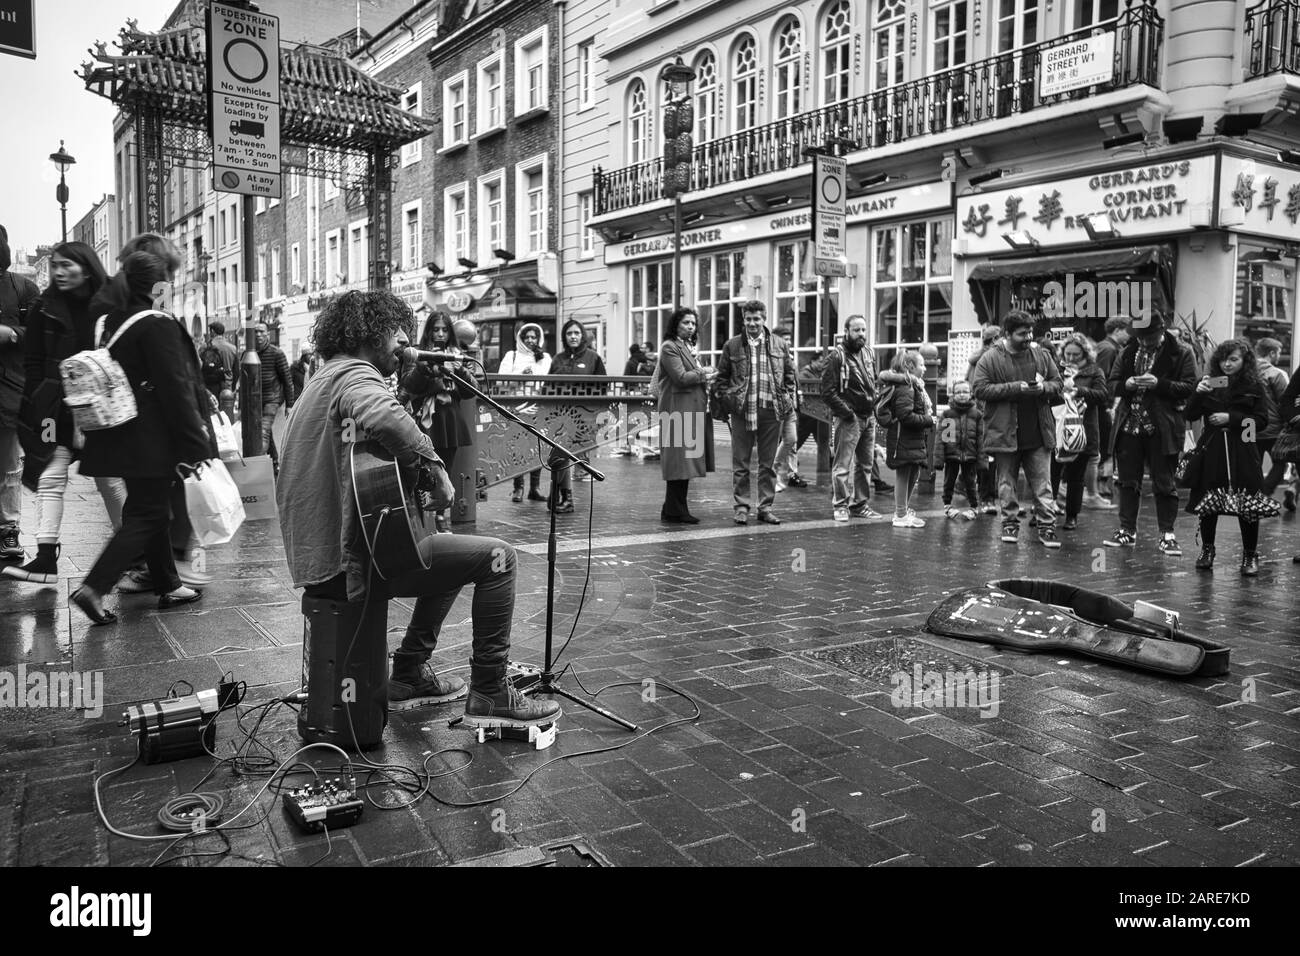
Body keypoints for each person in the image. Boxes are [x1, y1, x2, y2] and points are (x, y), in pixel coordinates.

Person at [277, 290, 559, 724]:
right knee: (499, 558)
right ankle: (490, 692)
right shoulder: (355, 375)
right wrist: (434, 468)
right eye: (398, 332)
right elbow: (383, 418)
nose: (405, 340)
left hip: (323, 557)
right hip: (351, 562)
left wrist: (410, 388)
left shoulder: (325, 378)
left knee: (445, 548)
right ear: (373, 332)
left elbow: (367, 433)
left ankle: (408, 673)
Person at [70, 246, 213, 624]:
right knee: (149, 514)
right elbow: (175, 388)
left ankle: (168, 583)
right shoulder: (156, 324)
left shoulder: (107, 322)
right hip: (152, 439)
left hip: (117, 432)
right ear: (160, 285)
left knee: (147, 510)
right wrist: (197, 443)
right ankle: (94, 587)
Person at [5, 242, 125, 583]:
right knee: (50, 477)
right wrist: (36, 404)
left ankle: (133, 550)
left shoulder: (109, 304)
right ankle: (45, 558)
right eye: (55, 265)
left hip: (101, 407)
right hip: (56, 409)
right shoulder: (44, 307)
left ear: (86, 268)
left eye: (66, 265)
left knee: (109, 480)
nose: (58, 271)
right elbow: (33, 361)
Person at [1103, 311, 1196, 554]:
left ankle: (1167, 534)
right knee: (1127, 481)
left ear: (1161, 330)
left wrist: (1160, 384)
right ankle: (1126, 530)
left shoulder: (1182, 352)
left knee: (1164, 482)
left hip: (1162, 427)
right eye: (1140, 336)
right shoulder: (1127, 351)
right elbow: (1111, 384)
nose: (1144, 341)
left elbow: (1189, 387)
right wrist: (1127, 385)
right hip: (1129, 425)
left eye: (1149, 336)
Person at [971, 309, 1065, 548]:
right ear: (1007, 333)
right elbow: (979, 389)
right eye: (1022, 333)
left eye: (1030, 332)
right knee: (1006, 482)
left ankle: (1046, 526)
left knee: (1043, 484)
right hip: (1004, 432)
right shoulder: (991, 358)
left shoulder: (1041, 355)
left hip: (1038, 431)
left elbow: (1058, 383)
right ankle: (1010, 523)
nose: (1028, 337)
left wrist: (1043, 389)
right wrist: (1016, 388)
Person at [1184, 340, 1271, 575]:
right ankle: (1207, 549)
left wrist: (1230, 419)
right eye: (1224, 359)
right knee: (1208, 502)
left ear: (1245, 361)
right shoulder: (1210, 382)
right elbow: (1189, 414)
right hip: (1212, 449)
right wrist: (1198, 394)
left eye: (1233, 359)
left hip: (1243, 449)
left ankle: (1250, 554)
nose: (1227, 364)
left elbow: (1261, 422)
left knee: (1248, 504)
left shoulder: (1254, 385)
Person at [715, 299, 795, 525]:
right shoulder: (732, 345)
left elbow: (789, 375)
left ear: (764, 319)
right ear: (743, 319)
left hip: (771, 410)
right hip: (742, 411)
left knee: (767, 464)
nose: (752, 323)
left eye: (756, 319)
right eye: (748, 319)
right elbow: (721, 379)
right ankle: (741, 507)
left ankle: (765, 507)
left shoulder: (779, 344)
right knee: (741, 463)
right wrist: (729, 400)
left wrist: (787, 397)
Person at [400, 313, 476, 532]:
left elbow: (472, 391)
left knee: (446, 468)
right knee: (423, 468)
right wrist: (426, 367)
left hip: (450, 419)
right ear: (429, 331)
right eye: (436, 329)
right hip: (426, 417)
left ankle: (442, 517)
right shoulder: (417, 353)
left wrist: (458, 370)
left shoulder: (457, 354)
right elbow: (408, 386)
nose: (440, 334)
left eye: (444, 329)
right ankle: (422, 517)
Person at [0, 224, 40, 562]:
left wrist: (11, 333)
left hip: (10, 390)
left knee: (10, 464)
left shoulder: (24, 287)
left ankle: (8, 529)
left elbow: (43, 332)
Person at [657, 307, 716, 523]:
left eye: (693, 323)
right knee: (678, 461)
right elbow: (680, 377)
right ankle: (675, 509)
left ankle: (672, 507)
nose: (690, 327)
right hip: (676, 411)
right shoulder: (669, 347)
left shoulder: (686, 347)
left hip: (688, 410)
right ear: (676, 324)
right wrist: (705, 372)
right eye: (685, 323)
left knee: (685, 461)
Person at [821, 315, 880, 521]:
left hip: (868, 417)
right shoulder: (836, 356)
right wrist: (847, 413)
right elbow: (827, 391)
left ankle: (860, 504)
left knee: (865, 464)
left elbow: (874, 382)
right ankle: (840, 505)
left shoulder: (869, 353)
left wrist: (875, 408)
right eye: (856, 330)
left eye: (864, 330)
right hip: (849, 419)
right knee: (843, 465)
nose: (861, 334)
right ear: (846, 331)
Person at [1051, 333, 1109, 532]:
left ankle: (1071, 516)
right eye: (1067, 354)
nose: (1071, 358)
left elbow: (1102, 396)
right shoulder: (1057, 369)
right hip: (1057, 429)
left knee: (1076, 477)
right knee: (1051, 474)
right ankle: (1045, 512)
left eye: (1076, 354)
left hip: (1082, 431)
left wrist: (1079, 391)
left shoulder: (1094, 372)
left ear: (1085, 353)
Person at [547, 318, 606, 513]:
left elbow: (602, 386)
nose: (573, 336)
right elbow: (547, 386)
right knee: (559, 455)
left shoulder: (593, 358)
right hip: (560, 415)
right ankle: (561, 496)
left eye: (576, 333)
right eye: (569, 333)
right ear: (564, 336)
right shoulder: (558, 359)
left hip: (583, 416)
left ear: (582, 336)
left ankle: (563, 497)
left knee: (565, 455)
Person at [879, 350, 937, 527]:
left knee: (913, 472)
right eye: (922, 364)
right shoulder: (907, 387)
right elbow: (906, 416)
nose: (925, 368)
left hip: (910, 437)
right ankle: (900, 514)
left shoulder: (913, 385)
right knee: (904, 473)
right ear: (910, 366)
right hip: (903, 437)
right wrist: (929, 420)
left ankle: (903, 510)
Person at [497, 322, 551, 503]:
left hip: (538, 407)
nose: (530, 340)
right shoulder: (511, 356)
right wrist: (521, 375)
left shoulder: (545, 358)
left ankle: (534, 488)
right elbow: (500, 382)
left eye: (533, 337)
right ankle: (518, 487)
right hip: (516, 407)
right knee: (517, 447)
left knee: (537, 447)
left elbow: (544, 381)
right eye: (526, 337)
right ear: (520, 338)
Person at [1093, 317, 1130, 499]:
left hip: (1106, 404)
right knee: (1107, 443)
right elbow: (1102, 379)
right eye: (1127, 330)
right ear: (1117, 330)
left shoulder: (1108, 347)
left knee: (1107, 443)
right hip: (1106, 405)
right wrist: (1109, 404)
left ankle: (1102, 482)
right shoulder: (1108, 349)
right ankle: (1101, 483)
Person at [967, 323, 1002, 514]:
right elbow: (978, 389)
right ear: (995, 339)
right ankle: (987, 498)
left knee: (986, 456)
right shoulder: (988, 359)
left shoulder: (977, 359)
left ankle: (985, 494)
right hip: (987, 413)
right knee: (989, 456)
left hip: (983, 412)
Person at [1254, 338, 1292, 505]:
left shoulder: (1246, 372)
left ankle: (1253, 497)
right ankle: (1263, 494)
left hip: (1249, 428)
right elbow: (1285, 403)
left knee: (1253, 464)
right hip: (1273, 429)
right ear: (1271, 353)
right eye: (1278, 352)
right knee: (1280, 463)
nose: (1279, 356)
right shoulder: (1276, 374)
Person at [939, 379, 983, 520]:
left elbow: (981, 439)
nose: (962, 395)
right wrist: (939, 459)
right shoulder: (948, 414)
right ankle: (947, 505)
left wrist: (982, 459)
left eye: (965, 391)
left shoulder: (977, 415)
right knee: (949, 481)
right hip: (952, 455)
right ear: (953, 394)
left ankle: (974, 507)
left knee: (970, 483)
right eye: (958, 392)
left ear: (971, 394)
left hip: (971, 456)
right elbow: (943, 439)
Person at [254, 322, 294, 468]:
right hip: (256, 400)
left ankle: (257, 465)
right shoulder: (250, 354)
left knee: (263, 431)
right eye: (256, 332)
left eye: (261, 332)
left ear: (267, 334)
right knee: (267, 431)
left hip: (272, 399)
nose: (258, 334)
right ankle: (275, 461)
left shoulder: (277, 353)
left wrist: (290, 405)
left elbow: (287, 380)